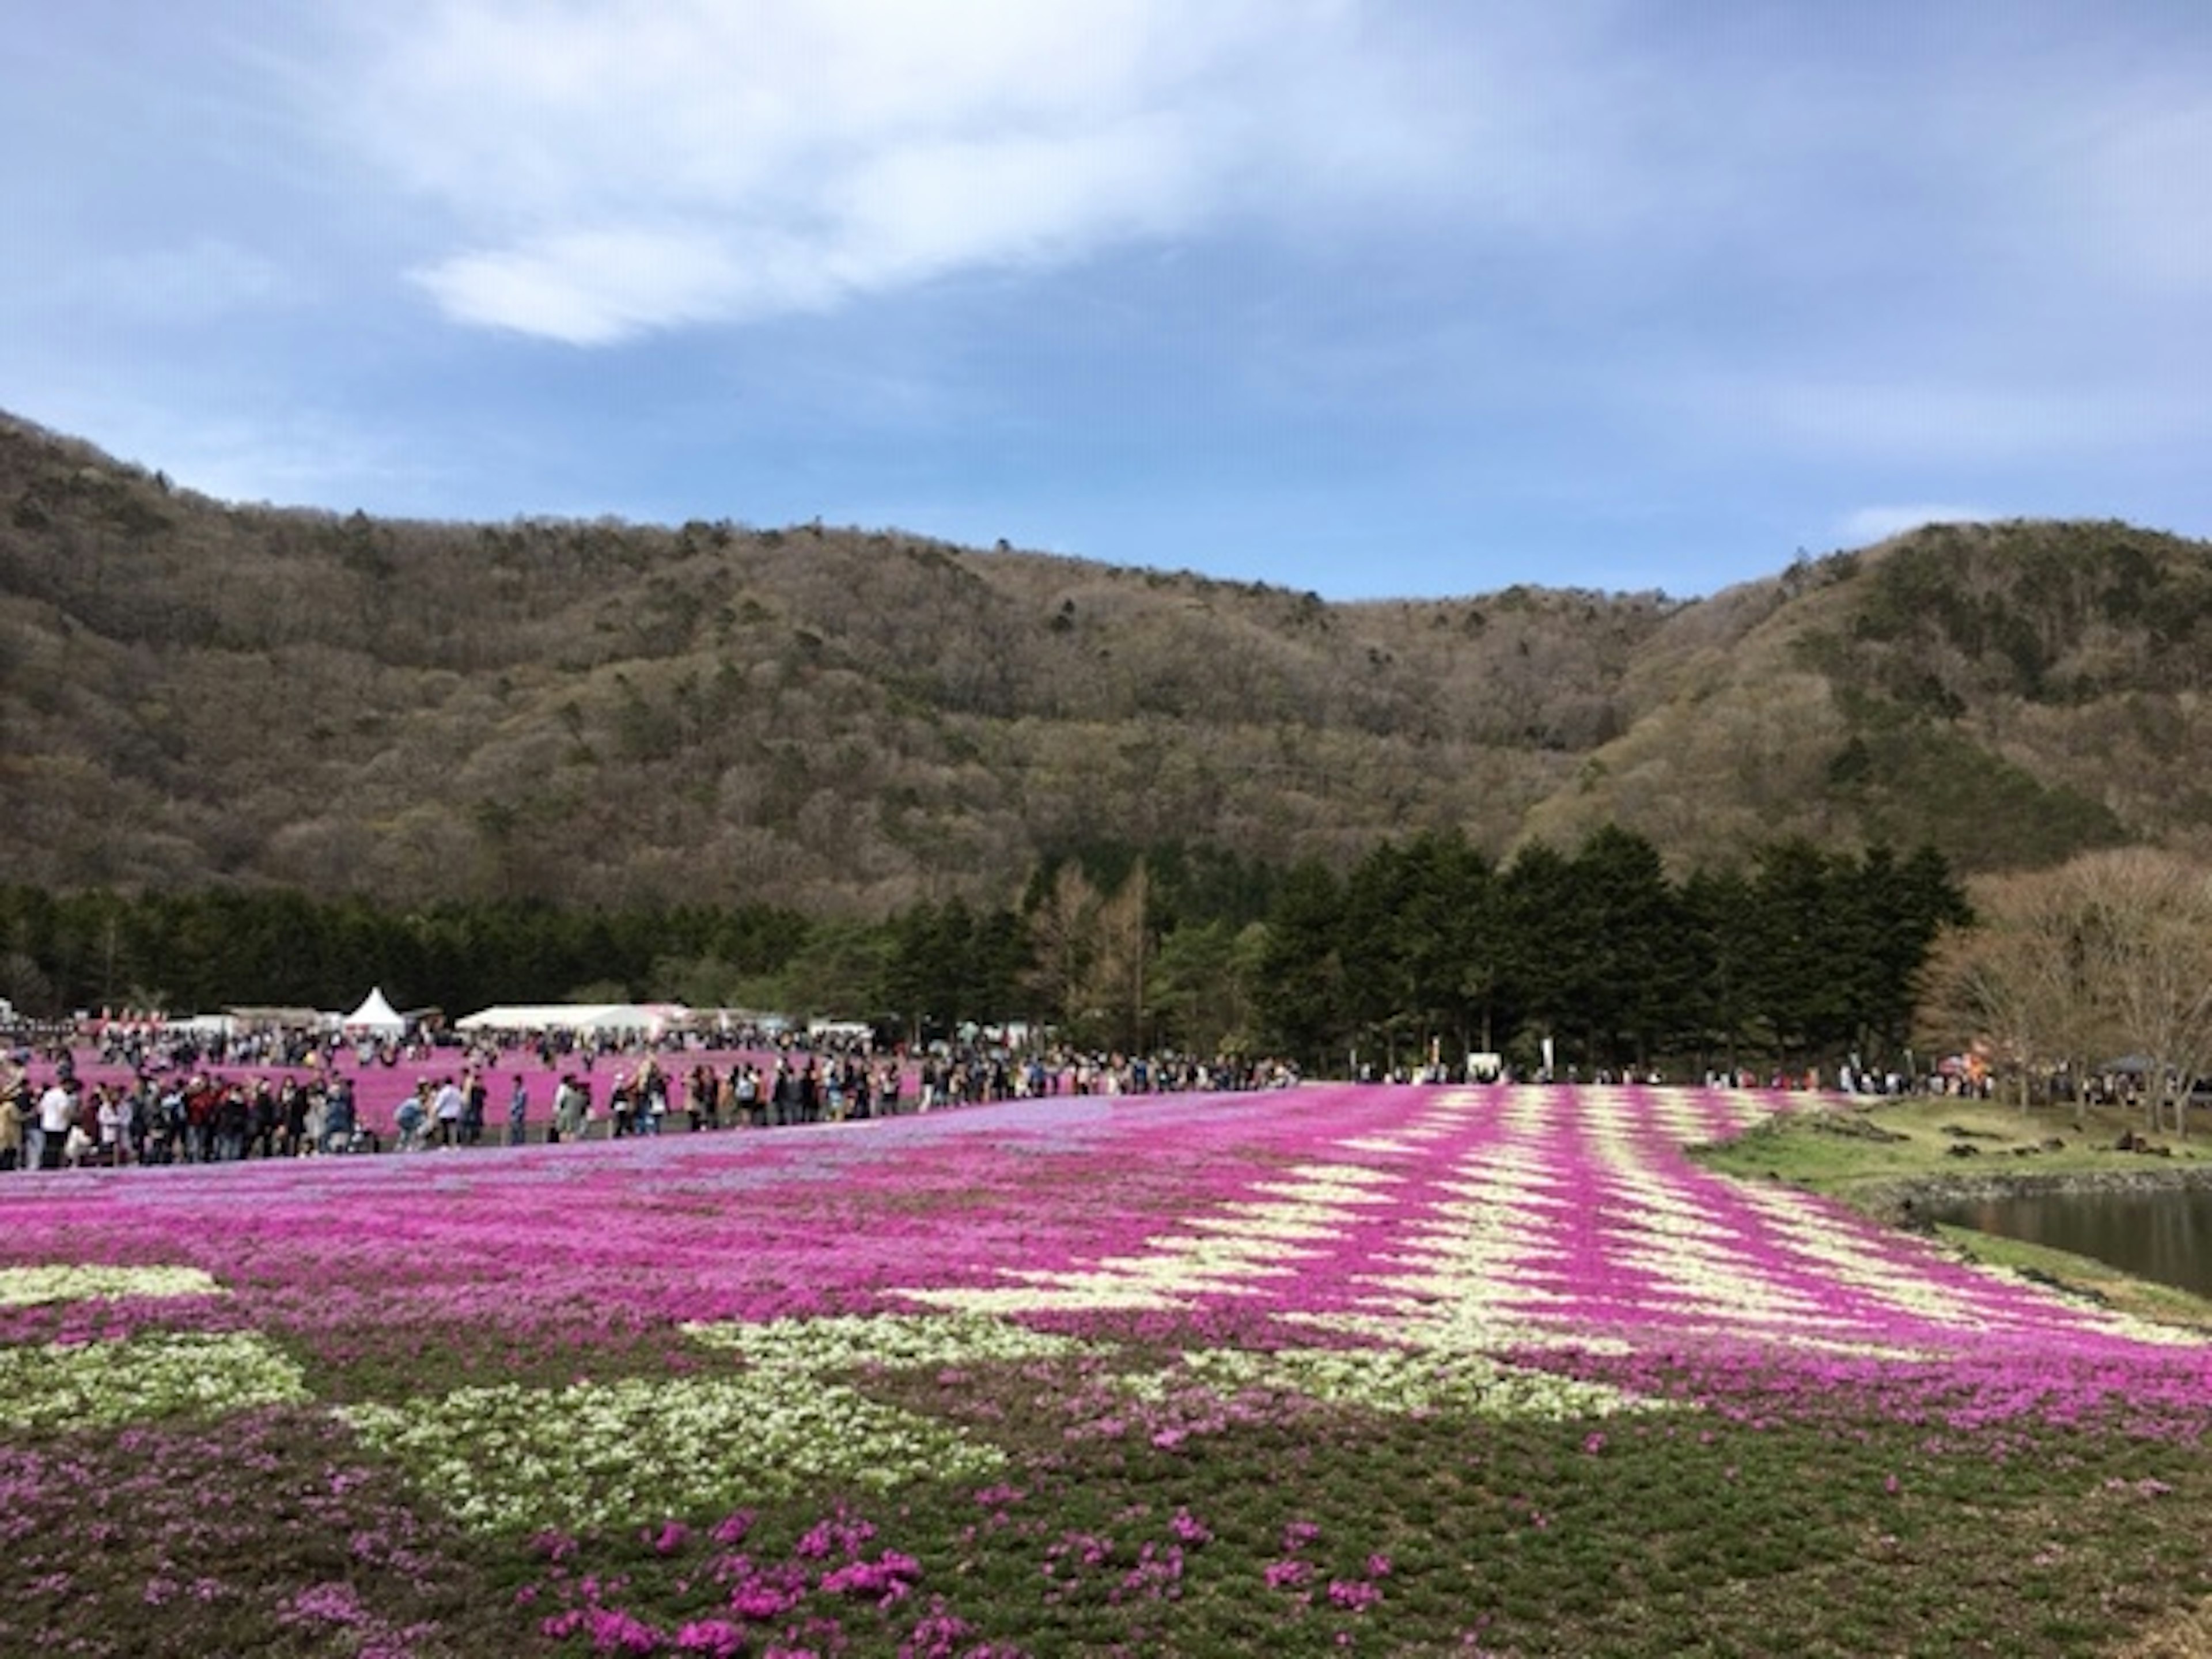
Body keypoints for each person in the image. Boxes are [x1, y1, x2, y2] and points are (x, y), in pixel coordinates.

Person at [507, 1074, 529, 1146]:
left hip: (519, 1114)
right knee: (514, 1131)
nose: (514, 1084)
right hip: (514, 1115)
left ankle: (520, 1144)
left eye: (515, 1082)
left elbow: (519, 1103)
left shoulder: (523, 1092)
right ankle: (514, 1143)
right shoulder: (515, 1091)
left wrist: (512, 1108)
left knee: (519, 1130)